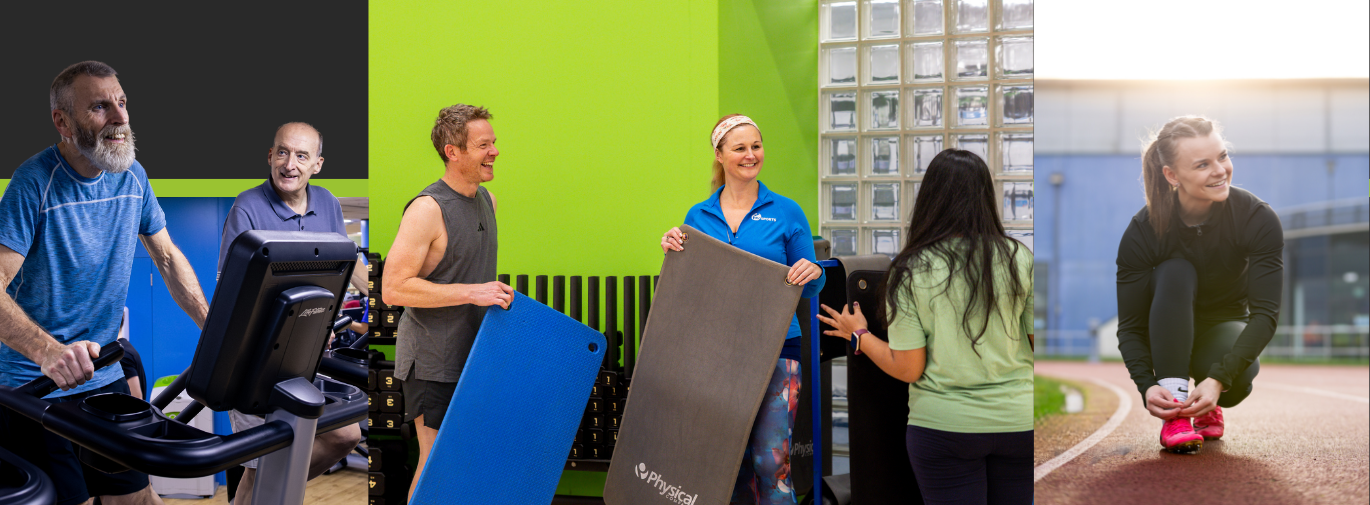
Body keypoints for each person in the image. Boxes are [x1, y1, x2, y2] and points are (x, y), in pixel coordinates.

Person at [0, 60, 211, 505]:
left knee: (136, 499)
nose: (120, 118)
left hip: (102, 377)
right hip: (34, 385)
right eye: (100, 107)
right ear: (63, 121)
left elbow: (168, 258)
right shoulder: (33, 183)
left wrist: (214, 329)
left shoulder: (133, 177)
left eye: (122, 102)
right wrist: (48, 352)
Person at [817, 149, 1033, 505]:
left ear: (930, 198)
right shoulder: (1018, 257)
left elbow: (908, 367)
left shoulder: (912, 268)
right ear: (986, 196)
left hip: (946, 428)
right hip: (1020, 422)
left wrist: (859, 334)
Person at [660, 114, 825, 505]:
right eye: (740, 148)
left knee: (771, 464)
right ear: (719, 155)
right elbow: (688, 285)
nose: (751, 155)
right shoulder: (698, 216)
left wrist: (814, 269)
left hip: (776, 352)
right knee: (725, 466)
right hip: (715, 357)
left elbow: (813, 283)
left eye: (756, 146)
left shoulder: (786, 212)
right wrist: (671, 250)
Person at [217, 122, 367, 503]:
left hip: (305, 355)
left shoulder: (329, 203)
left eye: (301, 156)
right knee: (258, 464)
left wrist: (384, 294)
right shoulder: (247, 207)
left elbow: (344, 264)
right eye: (282, 152)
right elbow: (231, 288)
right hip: (253, 358)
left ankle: (274, 494)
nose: (290, 164)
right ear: (270, 156)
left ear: (317, 164)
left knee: (345, 435)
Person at [1114, 116, 1282, 454]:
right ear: (1172, 175)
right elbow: (1130, 327)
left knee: (1239, 382)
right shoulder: (1144, 231)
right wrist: (1147, 385)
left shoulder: (1256, 218)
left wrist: (1219, 379)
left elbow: (1265, 314)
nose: (1220, 170)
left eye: (1222, 156)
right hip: (1161, 335)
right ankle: (1176, 412)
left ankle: (1208, 400)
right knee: (1176, 270)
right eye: (1203, 164)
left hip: (1219, 332)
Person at [382, 104, 515, 502]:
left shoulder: (486, 201)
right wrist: (474, 291)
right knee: (436, 459)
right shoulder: (427, 209)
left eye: (493, 143)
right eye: (483, 145)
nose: (493, 151)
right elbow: (393, 288)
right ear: (452, 151)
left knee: (468, 457)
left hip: (474, 354)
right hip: (432, 359)